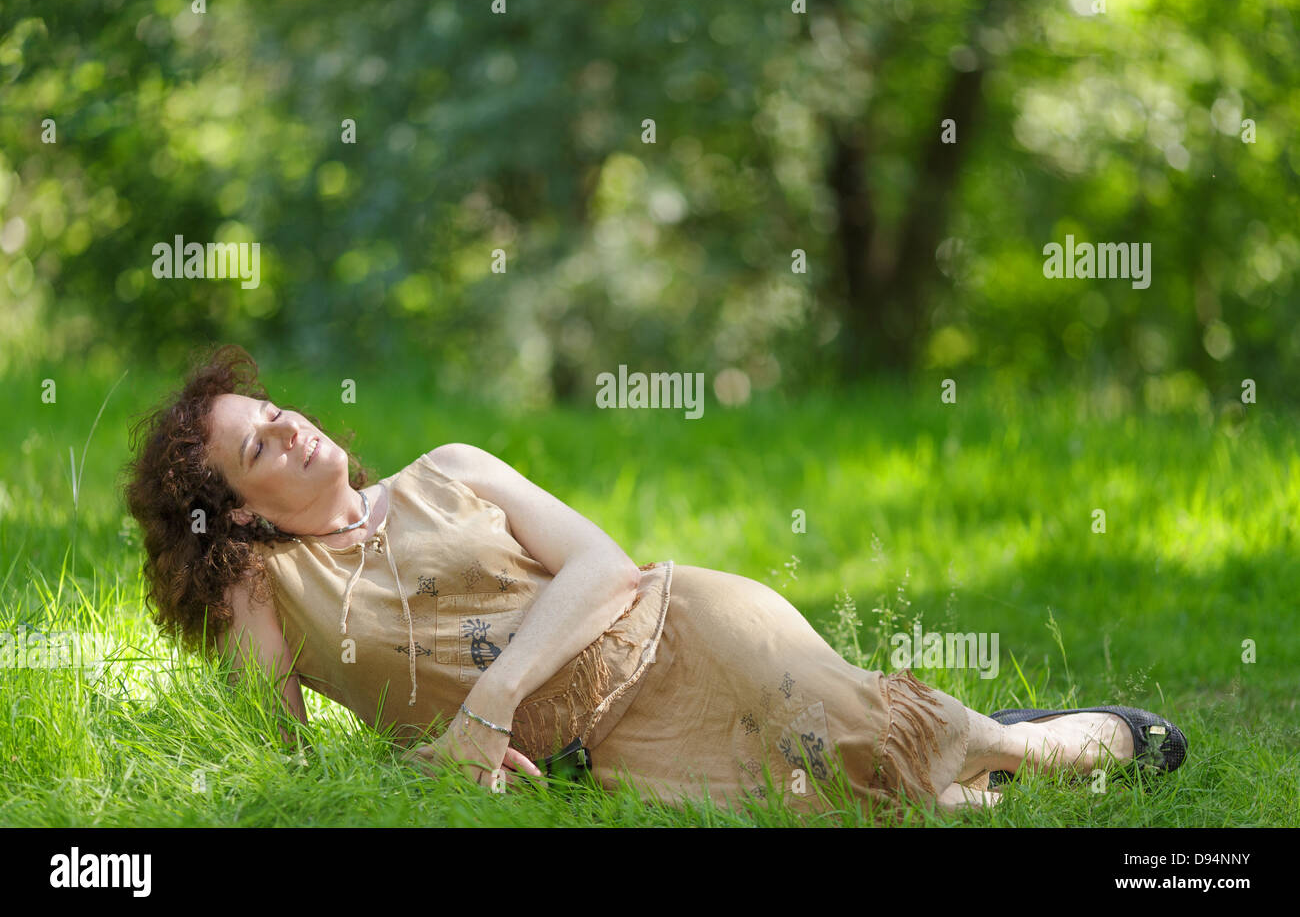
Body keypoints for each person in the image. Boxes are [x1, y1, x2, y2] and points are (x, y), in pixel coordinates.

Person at [122, 344, 1187, 819]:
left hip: (677, 629)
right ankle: (982, 770)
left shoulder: (446, 469)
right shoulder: (271, 588)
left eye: (276, 409)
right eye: (260, 443)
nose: (291, 425)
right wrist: (441, 772)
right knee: (872, 812)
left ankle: (1041, 741)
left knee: (870, 740)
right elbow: (290, 767)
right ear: (245, 512)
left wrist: (486, 706)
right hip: (613, 753)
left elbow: (603, 565)